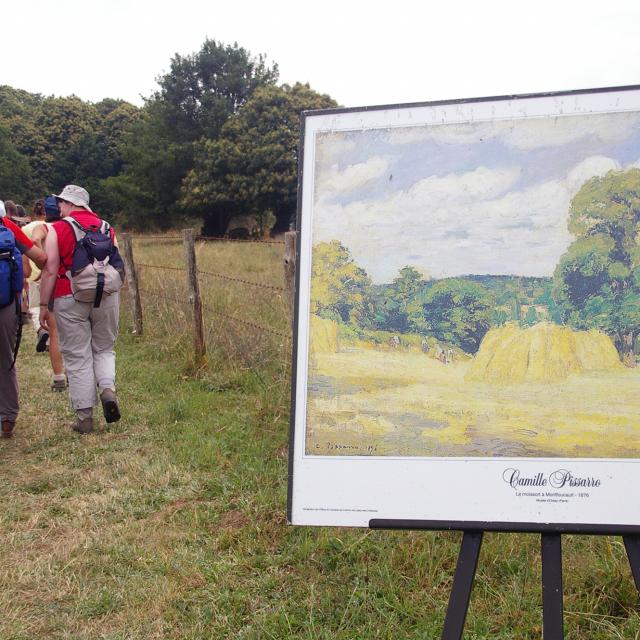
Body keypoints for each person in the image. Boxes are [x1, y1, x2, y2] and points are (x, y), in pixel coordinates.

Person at [39, 185, 122, 434]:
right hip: (106, 295)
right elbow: (116, 263)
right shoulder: (107, 227)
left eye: (61, 203)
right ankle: (107, 388)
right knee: (104, 348)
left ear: (68, 204)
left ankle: (85, 417)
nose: (60, 207)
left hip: (69, 296)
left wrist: (44, 304)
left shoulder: (58, 228)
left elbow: (51, 268)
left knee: (77, 355)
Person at [0, 200, 47, 438]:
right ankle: (7, 417)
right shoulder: (7, 227)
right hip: (6, 303)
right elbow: (40, 258)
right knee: (4, 359)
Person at [21, 197, 67, 391]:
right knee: (72, 331)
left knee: (52, 329)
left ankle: (58, 378)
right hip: (60, 282)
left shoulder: (27, 229)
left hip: (37, 281)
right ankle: (79, 373)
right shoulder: (65, 229)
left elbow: (25, 261)